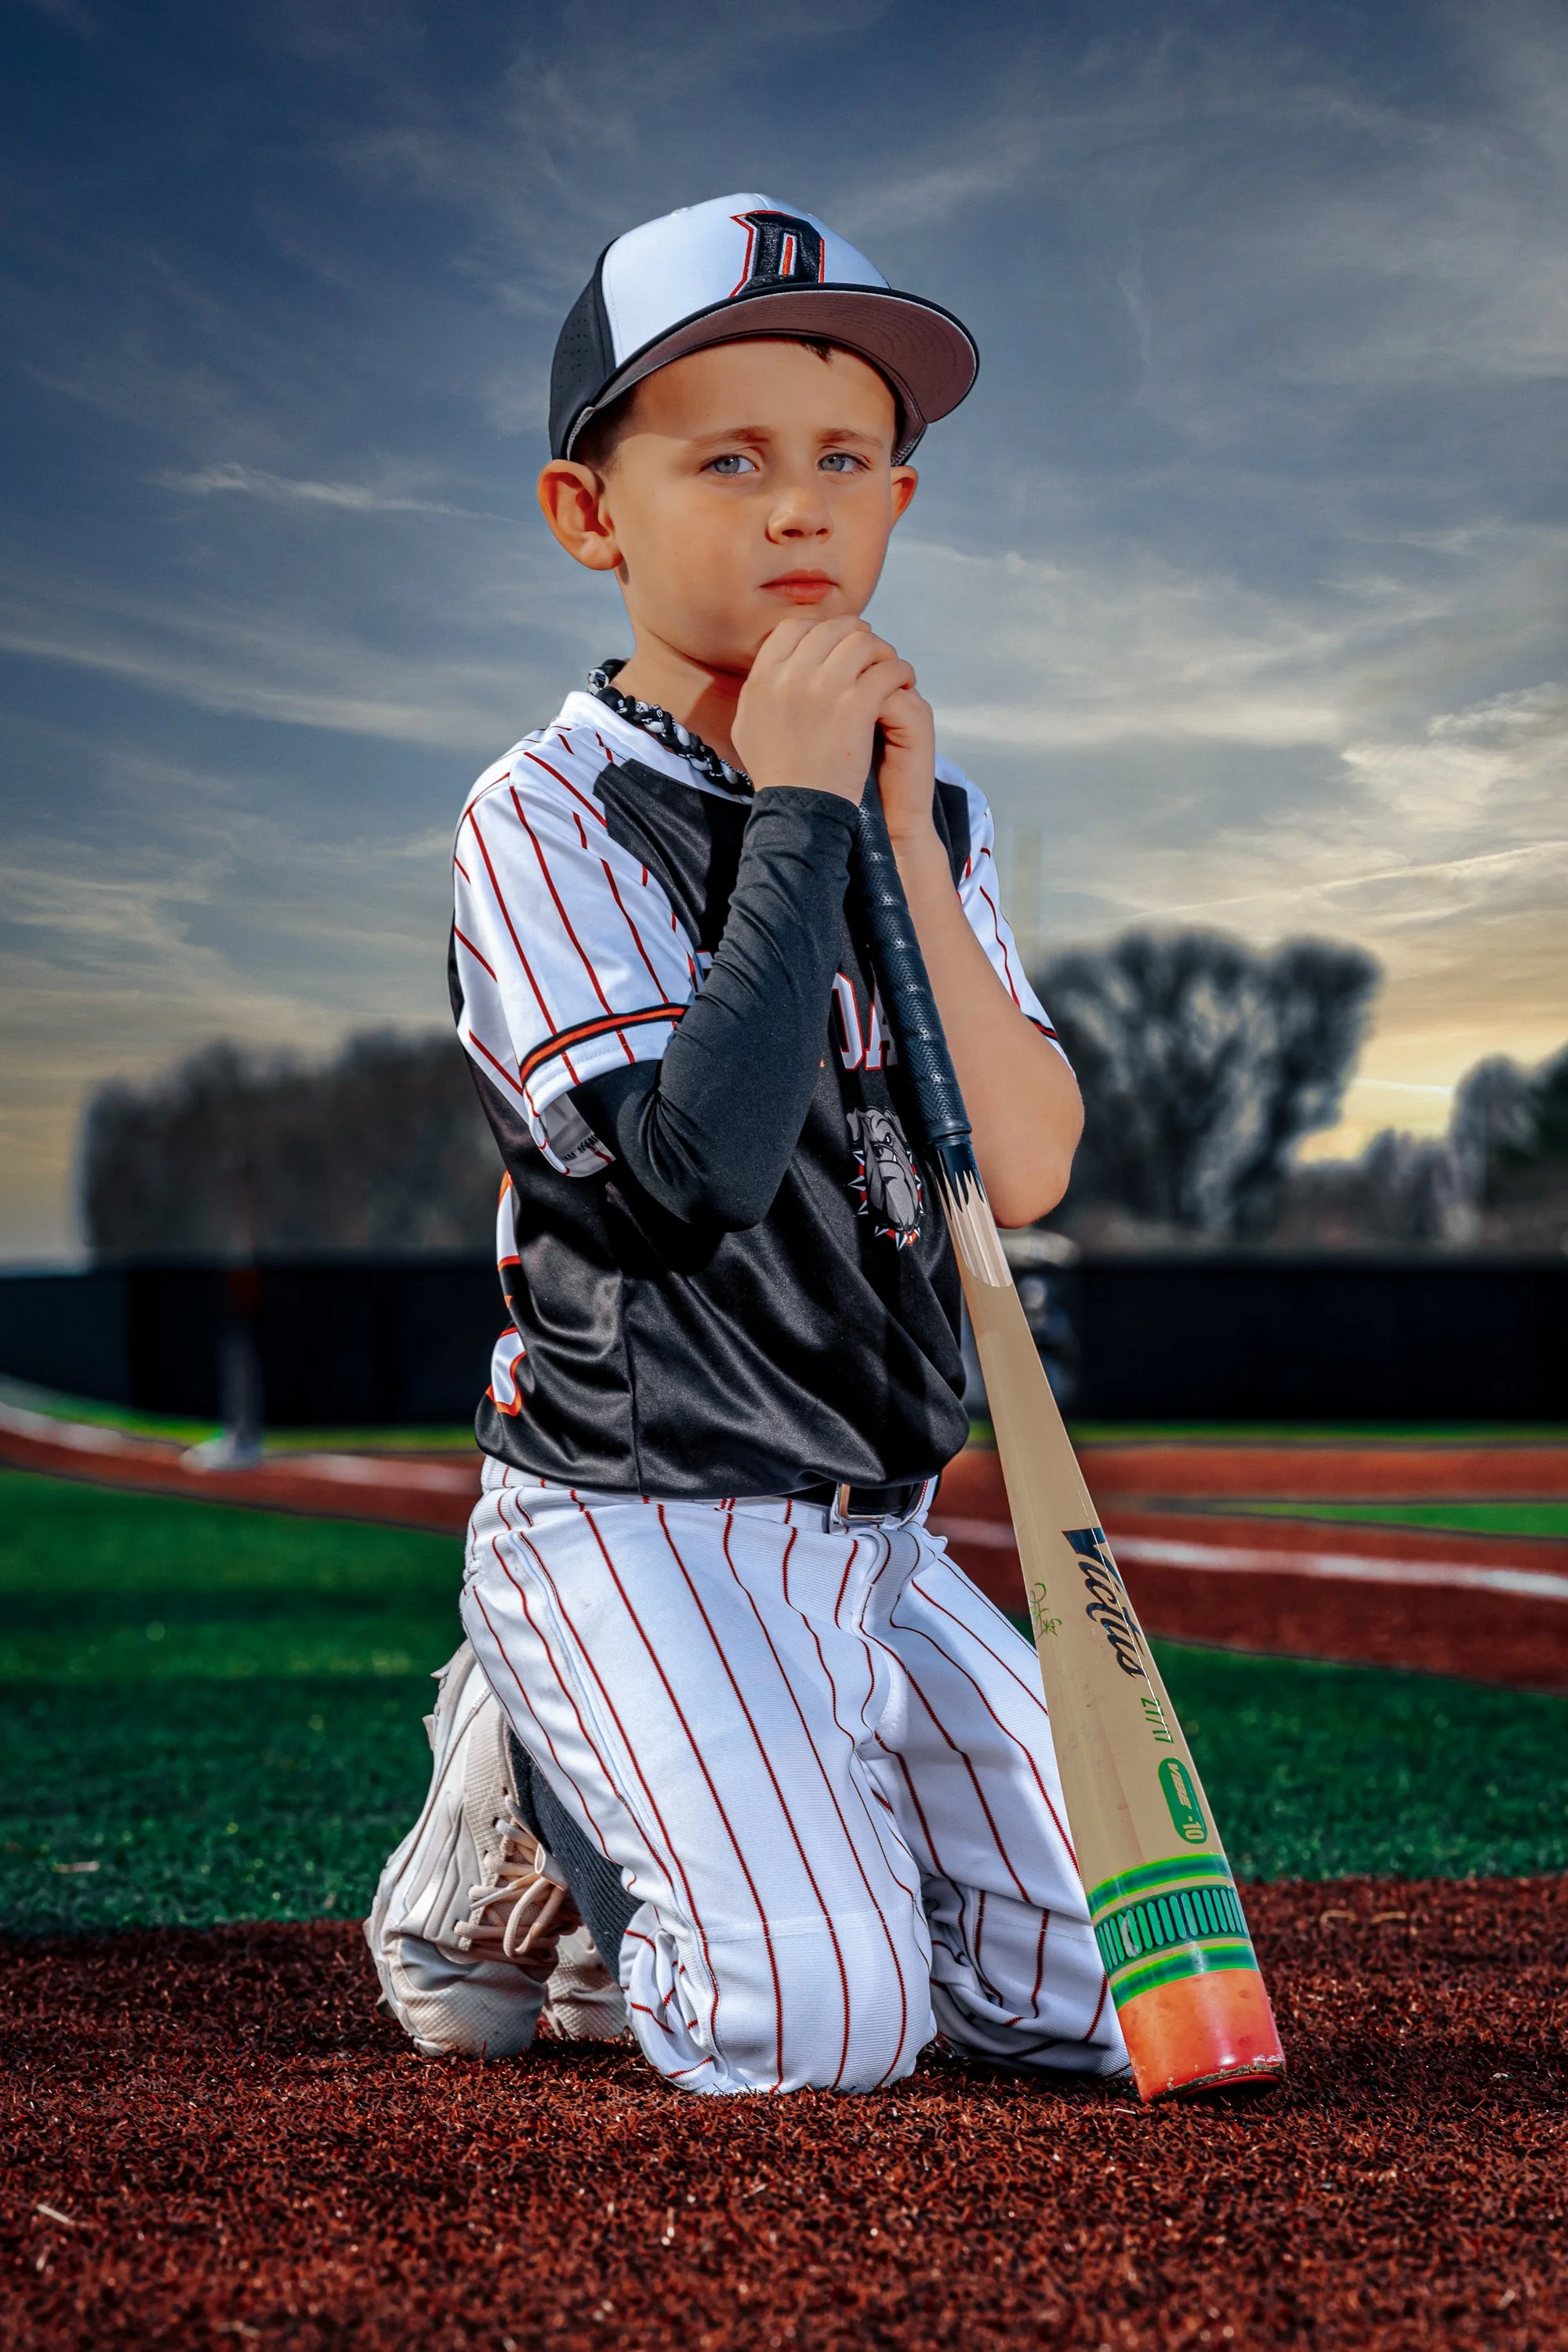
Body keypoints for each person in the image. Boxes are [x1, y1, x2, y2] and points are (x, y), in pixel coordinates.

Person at [366, 193, 1128, 2094]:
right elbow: (678, 1178)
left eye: (846, 459)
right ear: (590, 514)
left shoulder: (925, 808)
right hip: (639, 1506)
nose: (801, 507)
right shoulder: (544, 812)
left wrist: (897, 845)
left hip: (876, 1530)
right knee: (816, 2029)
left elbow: (1020, 1167)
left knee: (1124, 1994)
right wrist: (798, 812)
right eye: (729, 459)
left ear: (896, 505)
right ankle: (533, 1771)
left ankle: (703, 1807)